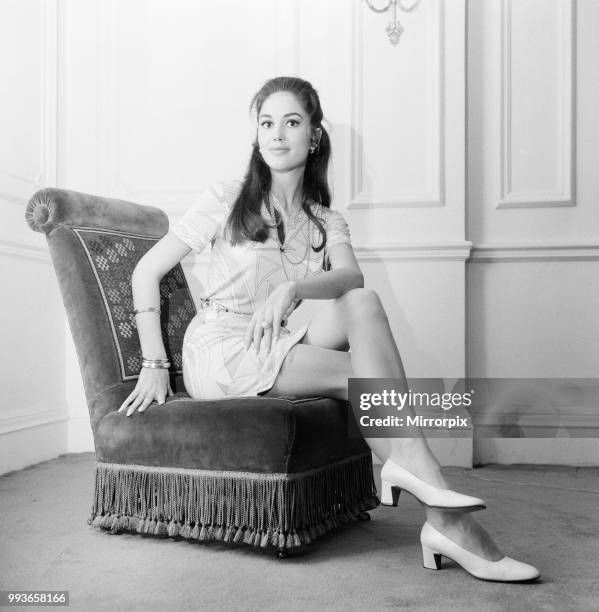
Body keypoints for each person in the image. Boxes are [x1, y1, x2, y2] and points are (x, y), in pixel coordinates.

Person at [118, 76, 540, 583]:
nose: (276, 135)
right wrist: (155, 363)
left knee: (362, 301)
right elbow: (147, 271)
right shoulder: (227, 198)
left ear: (313, 136)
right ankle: (450, 520)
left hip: (277, 341)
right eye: (266, 124)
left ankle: (420, 485)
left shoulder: (324, 219)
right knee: (360, 380)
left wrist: (295, 287)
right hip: (221, 347)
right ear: (256, 136)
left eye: (291, 122)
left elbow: (351, 277)